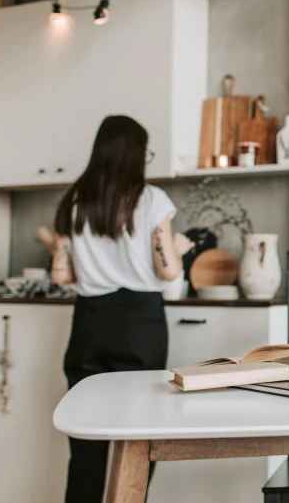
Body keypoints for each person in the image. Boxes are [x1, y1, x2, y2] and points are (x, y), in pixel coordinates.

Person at [42, 115, 194, 503]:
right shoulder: (150, 199)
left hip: (90, 322)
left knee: (86, 444)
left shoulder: (75, 201)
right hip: (139, 324)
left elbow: (62, 274)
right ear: (134, 155)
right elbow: (168, 270)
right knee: (140, 438)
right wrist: (178, 247)